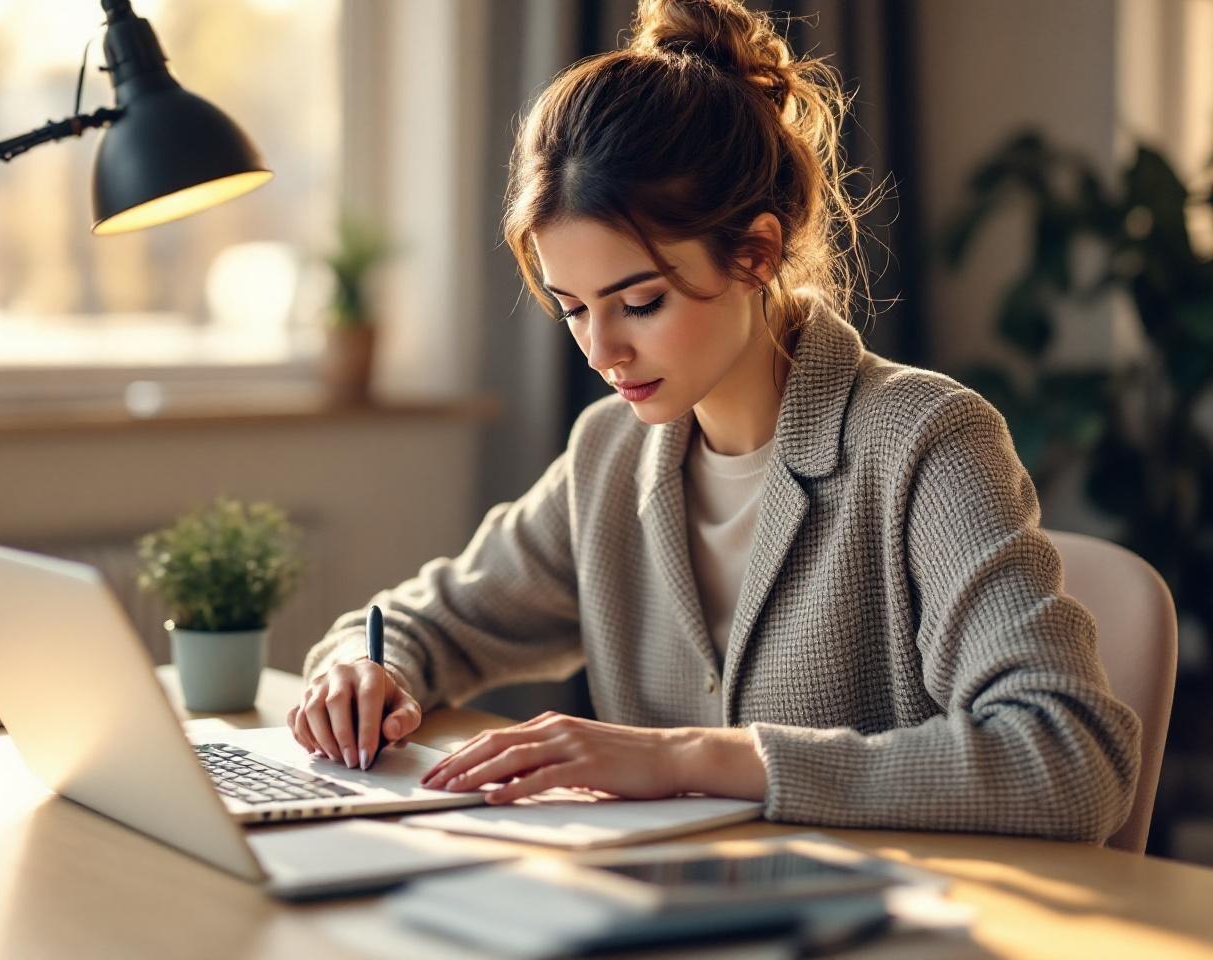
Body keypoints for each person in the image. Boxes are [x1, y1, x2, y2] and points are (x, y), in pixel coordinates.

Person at [288, 0, 1141, 841]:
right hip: (676, 918)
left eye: (641, 302)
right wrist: (361, 672)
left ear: (757, 251)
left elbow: (1068, 760)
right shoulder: (612, 457)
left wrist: (692, 756)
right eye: (573, 307)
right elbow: (420, 622)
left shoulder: (925, 442)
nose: (602, 351)